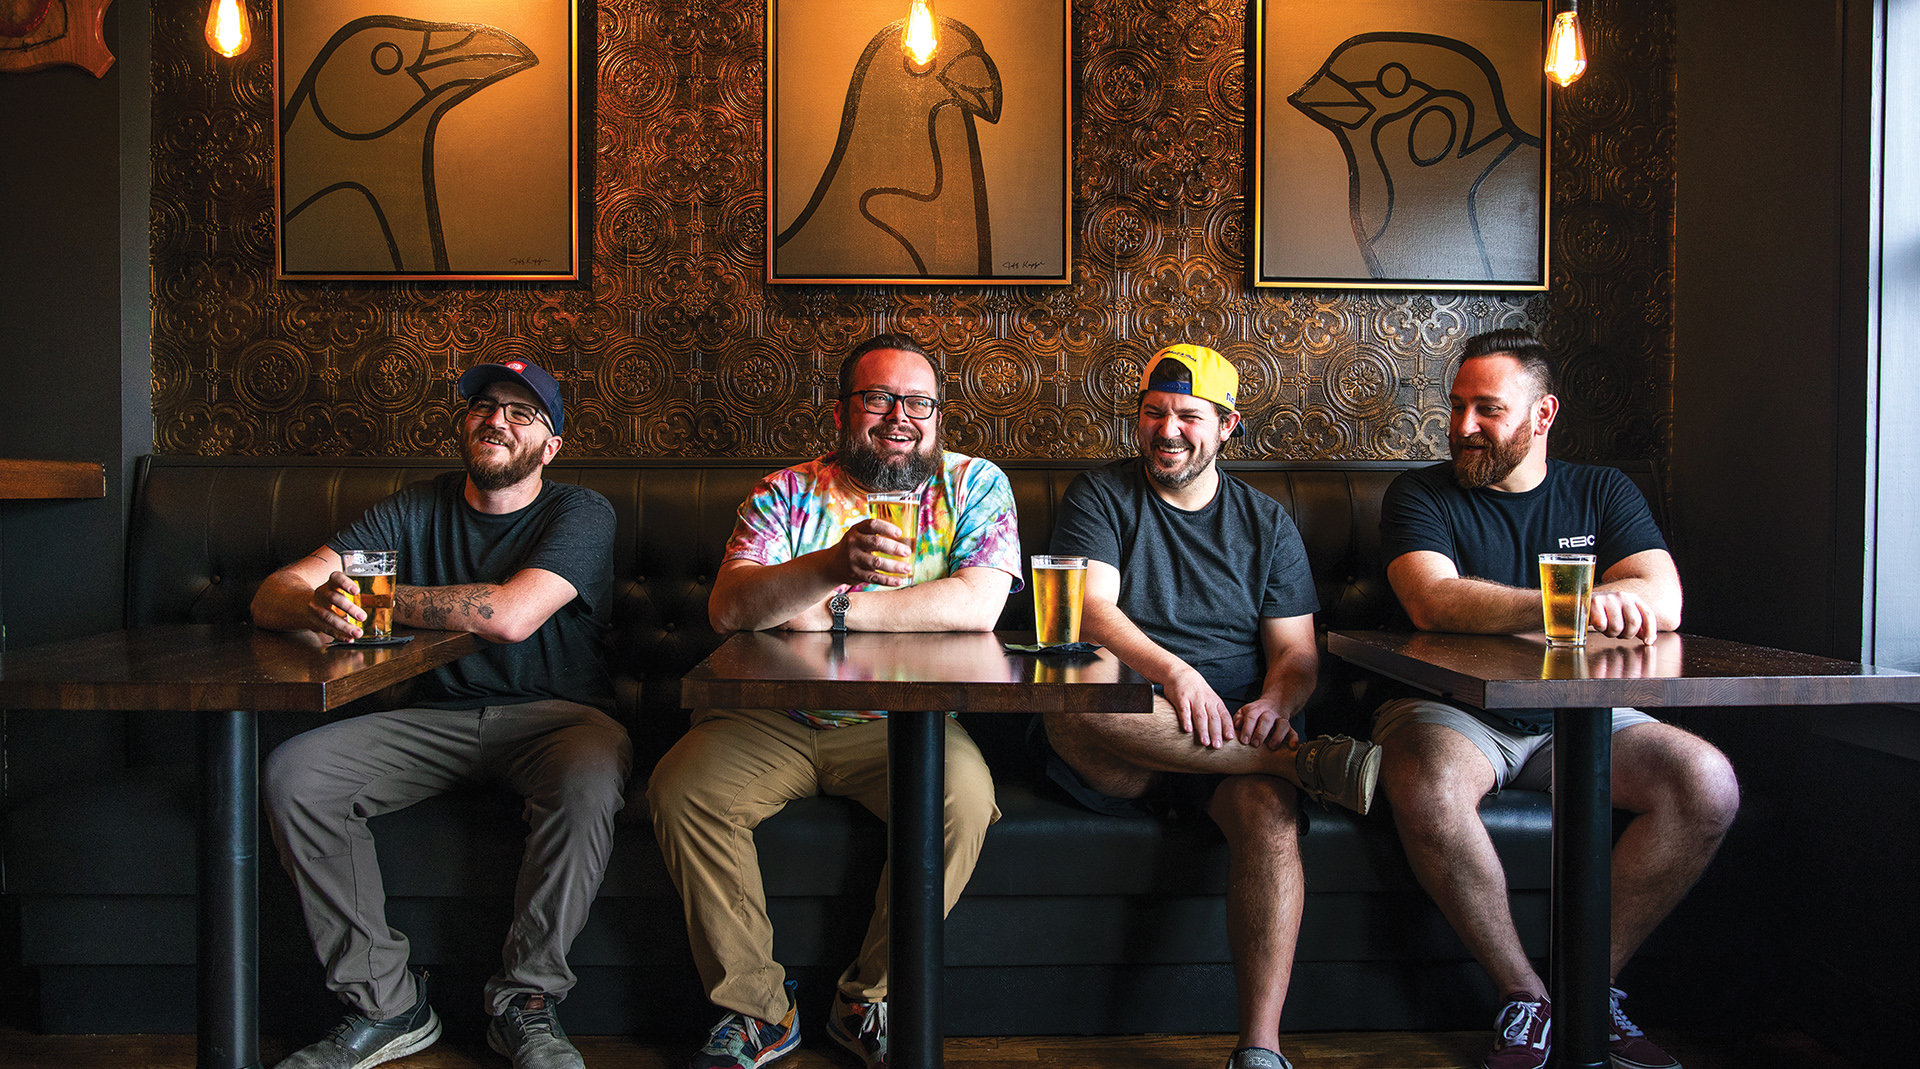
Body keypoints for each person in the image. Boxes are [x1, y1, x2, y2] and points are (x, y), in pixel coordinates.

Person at [646, 333, 1020, 1069]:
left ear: (939, 414)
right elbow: (729, 608)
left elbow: (978, 605)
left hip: (901, 723)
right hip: (768, 717)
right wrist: (828, 562)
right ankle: (755, 1012)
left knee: (964, 799)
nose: (899, 417)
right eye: (878, 398)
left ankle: (866, 999)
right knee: (682, 787)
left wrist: (832, 609)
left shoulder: (974, 484)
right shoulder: (785, 491)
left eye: (918, 402)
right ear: (844, 409)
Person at [1371, 329, 1741, 1069]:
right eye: (1457, 406)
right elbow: (1433, 599)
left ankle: (1581, 989)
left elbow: (1660, 597)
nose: (1463, 426)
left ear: (1543, 415)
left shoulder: (1603, 490)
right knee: (1429, 783)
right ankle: (1524, 996)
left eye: (1488, 409)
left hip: (1584, 712)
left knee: (1706, 782)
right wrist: (1573, 602)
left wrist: (1613, 599)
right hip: (1454, 710)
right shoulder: (1419, 493)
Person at [253, 358, 628, 1069]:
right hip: (431, 720)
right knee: (297, 772)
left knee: (591, 774)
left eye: (522, 413)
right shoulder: (412, 506)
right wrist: (313, 604)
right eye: (484, 406)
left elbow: (510, 615)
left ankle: (524, 1000)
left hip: (558, 718)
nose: (497, 420)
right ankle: (387, 1004)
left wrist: (375, 602)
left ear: (550, 447)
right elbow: (273, 592)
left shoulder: (581, 510)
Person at [1039, 344, 1382, 1069]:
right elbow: (1091, 610)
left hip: (1233, 737)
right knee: (1073, 697)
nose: (1167, 430)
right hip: (1128, 740)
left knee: (1267, 812)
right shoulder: (1100, 495)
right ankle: (1305, 766)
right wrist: (1172, 674)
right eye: (1154, 412)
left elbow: (1296, 656)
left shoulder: (1266, 522)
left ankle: (1259, 1049)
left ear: (1228, 426)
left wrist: (1276, 700)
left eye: (1188, 416)